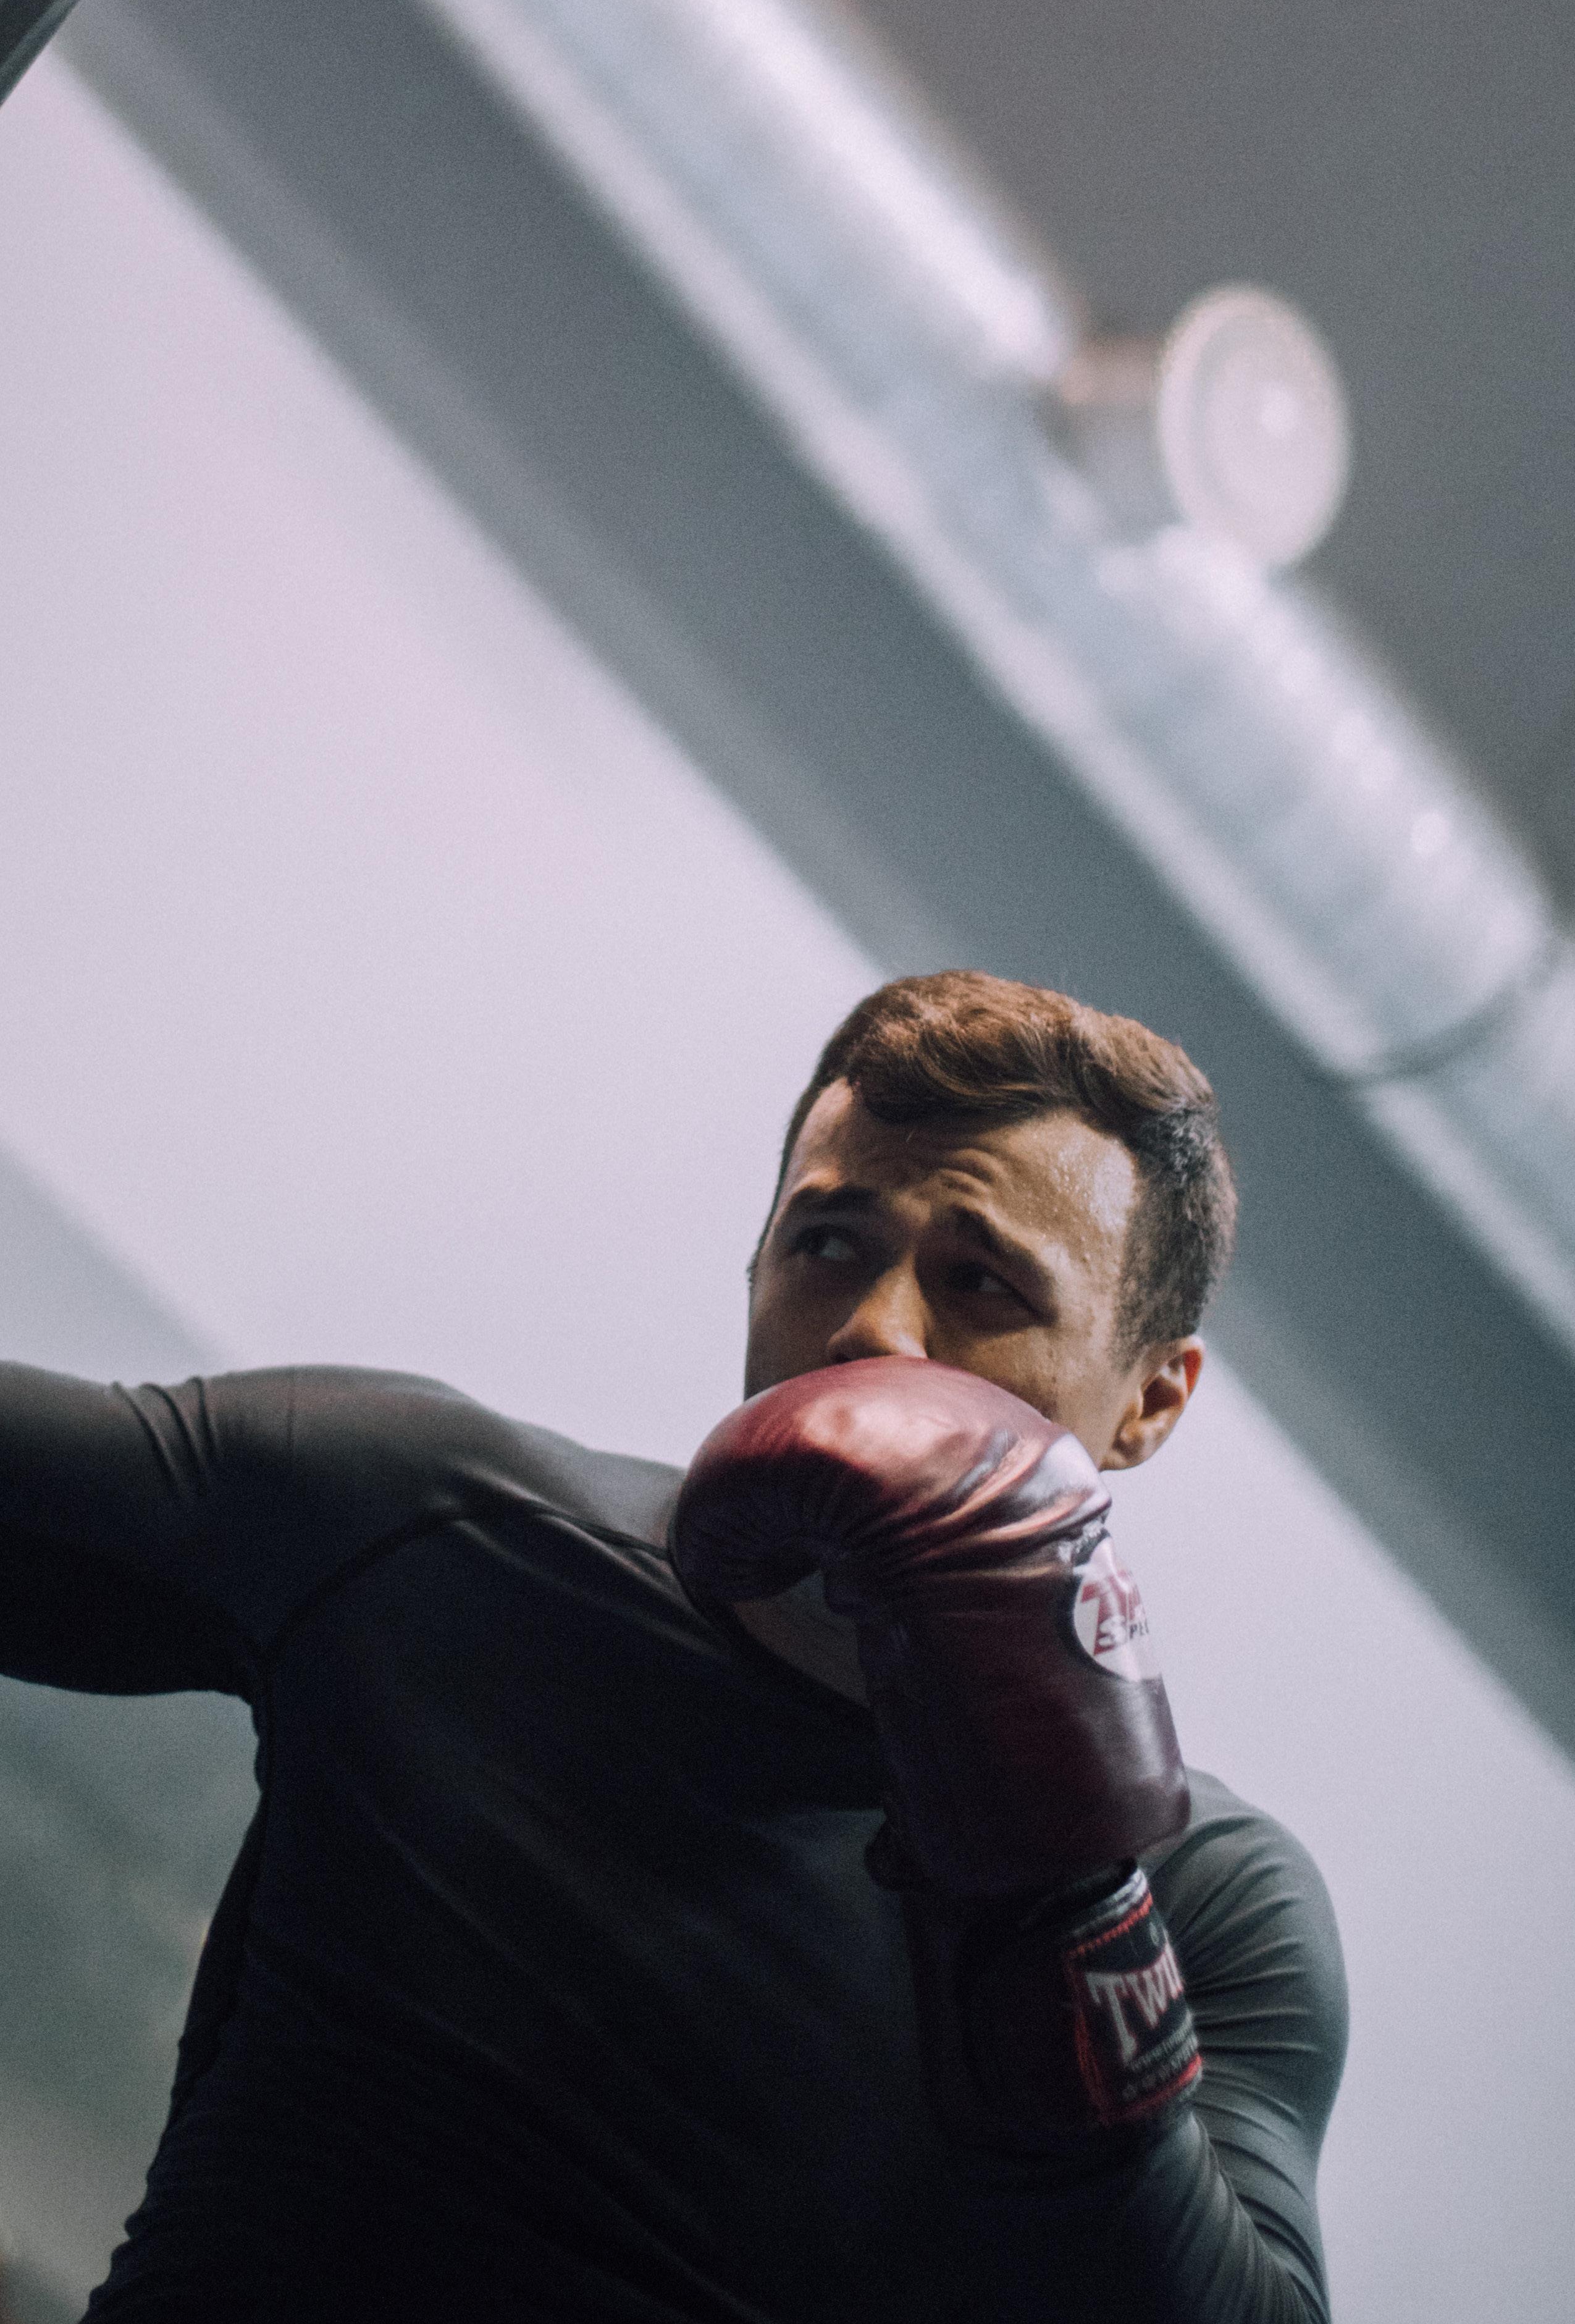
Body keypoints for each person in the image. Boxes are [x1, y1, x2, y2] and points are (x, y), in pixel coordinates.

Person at [0, 970, 1345, 2321]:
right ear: (756, 1268)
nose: (874, 1328)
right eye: (829, 1243)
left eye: (981, 1281)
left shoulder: (1210, 1900)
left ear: (1150, 1398)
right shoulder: (436, 1530)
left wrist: (1055, 1898)